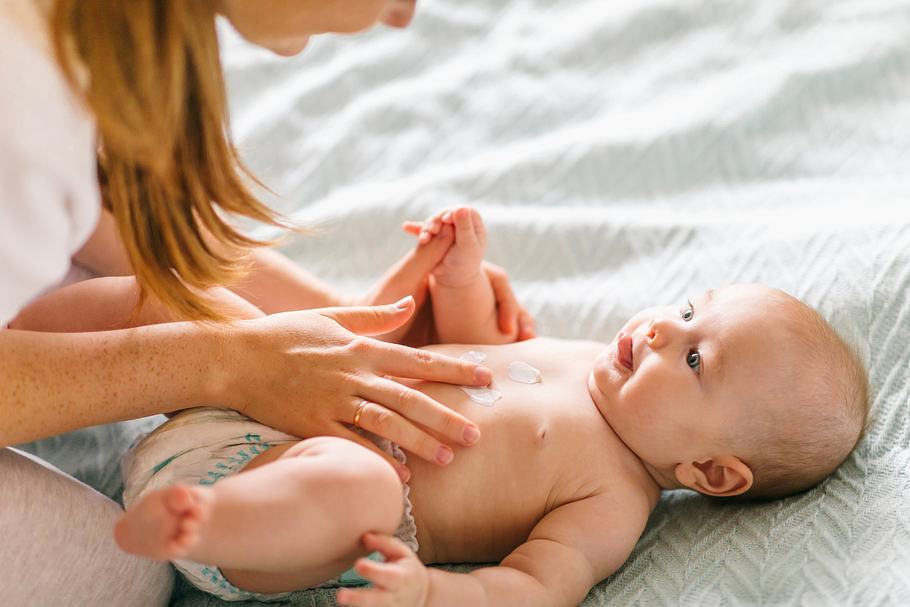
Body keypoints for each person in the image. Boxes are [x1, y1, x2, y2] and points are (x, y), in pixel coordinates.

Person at [28, 207, 867, 605]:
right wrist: (457, 282)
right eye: (685, 308)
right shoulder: (581, 361)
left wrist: (430, 594)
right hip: (260, 393)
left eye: (693, 357)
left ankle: (199, 519)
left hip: (285, 480)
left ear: (709, 470)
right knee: (189, 305)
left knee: (363, 490)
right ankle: (26, 336)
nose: (656, 332)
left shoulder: (611, 502)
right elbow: (470, 354)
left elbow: (536, 589)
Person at [0, 1, 534, 604]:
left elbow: (103, 211)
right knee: (118, 575)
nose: (403, 17)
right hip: (230, 480)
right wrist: (227, 361)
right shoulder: (23, 104)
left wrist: (347, 323)